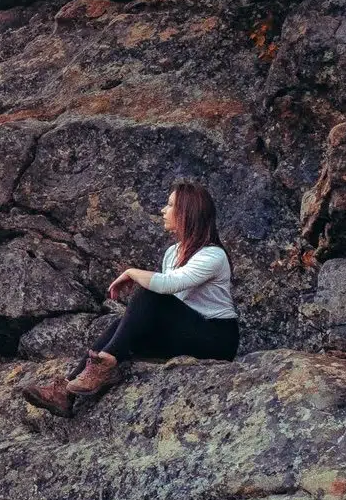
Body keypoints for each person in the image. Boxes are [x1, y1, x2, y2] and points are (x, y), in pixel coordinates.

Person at [23, 178, 239, 418]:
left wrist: (131, 272)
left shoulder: (212, 255)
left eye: (170, 205)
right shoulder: (173, 252)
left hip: (215, 339)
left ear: (187, 213)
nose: (163, 210)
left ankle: (105, 363)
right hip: (185, 333)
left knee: (151, 293)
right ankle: (66, 391)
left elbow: (170, 286)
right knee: (122, 326)